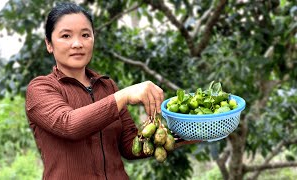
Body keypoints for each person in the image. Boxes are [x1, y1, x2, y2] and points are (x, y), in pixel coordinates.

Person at [25, 2, 199, 179]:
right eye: (66, 36)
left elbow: (131, 146)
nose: (77, 44)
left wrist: (191, 131)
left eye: (85, 35)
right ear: (49, 44)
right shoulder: (41, 89)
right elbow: (69, 125)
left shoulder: (107, 87)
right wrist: (123, 96)